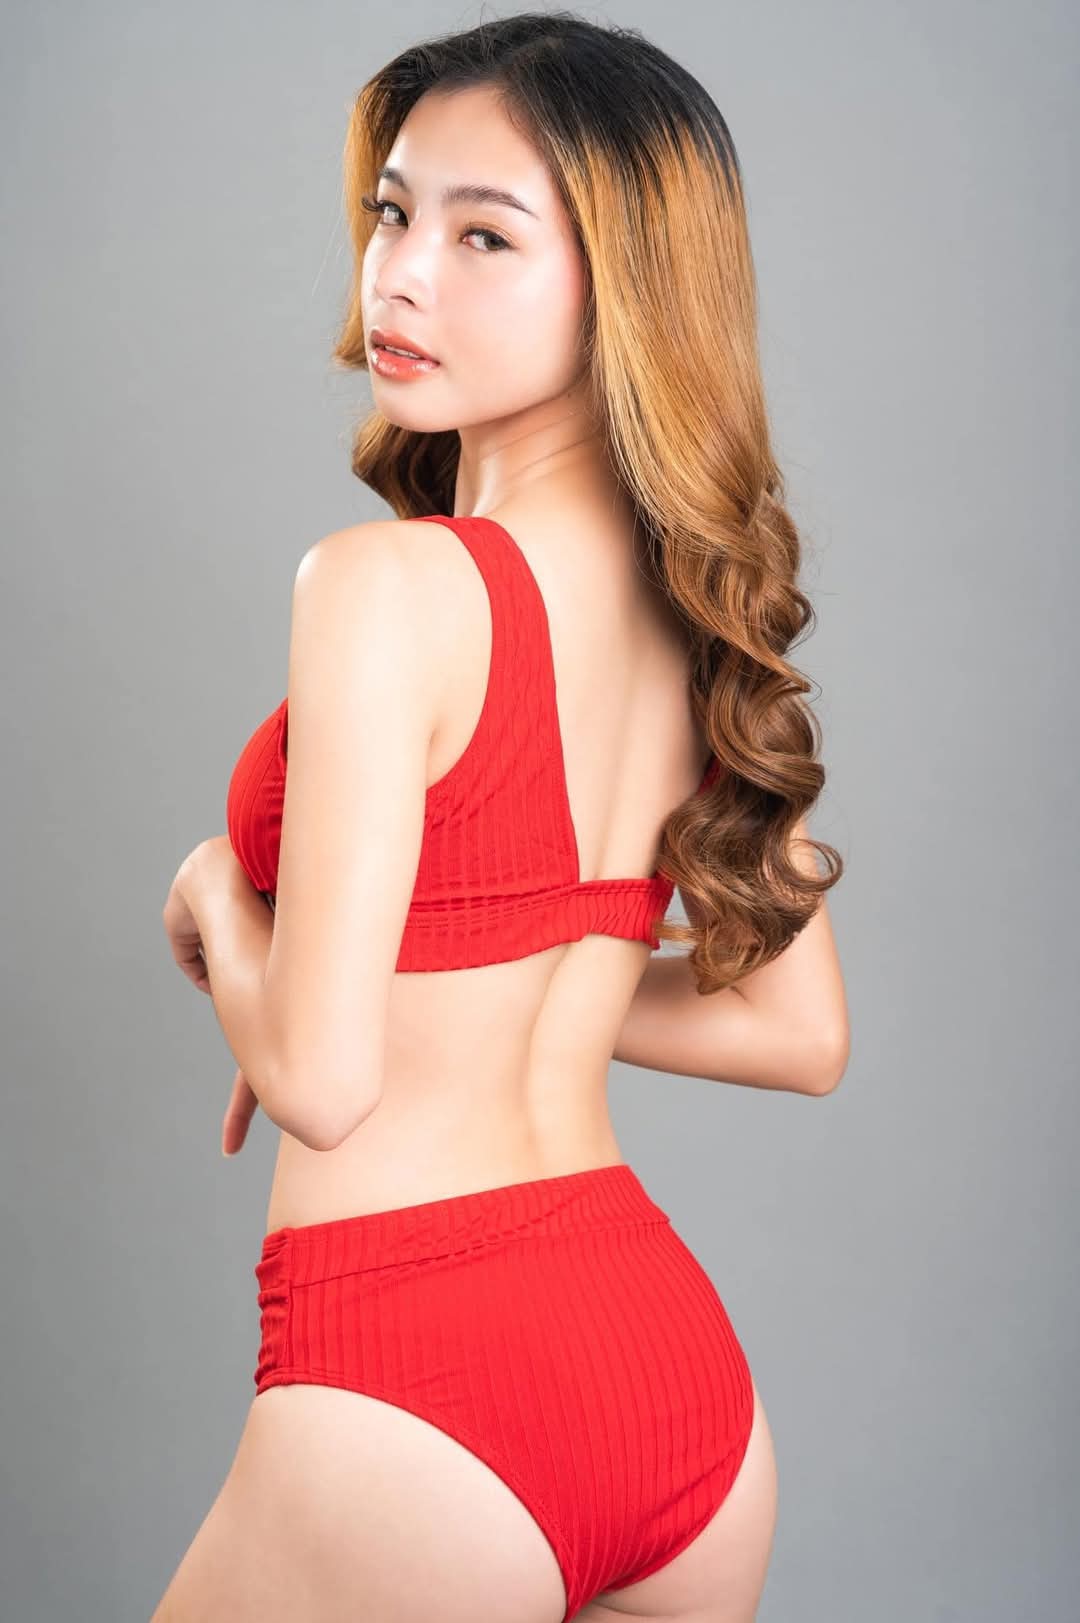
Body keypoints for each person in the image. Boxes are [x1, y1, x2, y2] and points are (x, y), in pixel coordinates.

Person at [154, 12, 848, 1621]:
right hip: (672, 1381)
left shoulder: (382, 586)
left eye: (485, 236)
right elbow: (795, 1032)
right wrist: (502, 986)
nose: (402, 277)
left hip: (417, 1384)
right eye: (394, 213)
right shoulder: (706, 619)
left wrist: (218, 896)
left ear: (628, 291)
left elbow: (320, 1081)